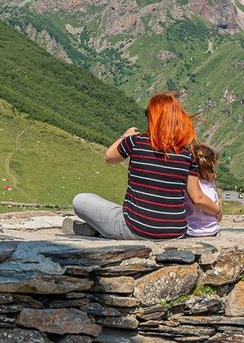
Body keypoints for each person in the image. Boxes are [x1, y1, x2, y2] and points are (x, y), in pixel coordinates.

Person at [71, 93, 210, 240]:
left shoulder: (135, 142)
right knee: (118, 212)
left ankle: (99, 230)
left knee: (81, 200)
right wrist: (218, 211)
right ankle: (100, 229)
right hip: (175, 233)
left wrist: (125, 135)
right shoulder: (187, 155)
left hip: (135, 230)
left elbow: (109, 157)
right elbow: (198, 198)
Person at [185, 142, 222, 237]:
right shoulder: (211, 185)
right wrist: (218, 211)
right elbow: (218, 218)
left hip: (191, 230)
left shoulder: (188, 183)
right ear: (212, 164)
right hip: (212, 230)